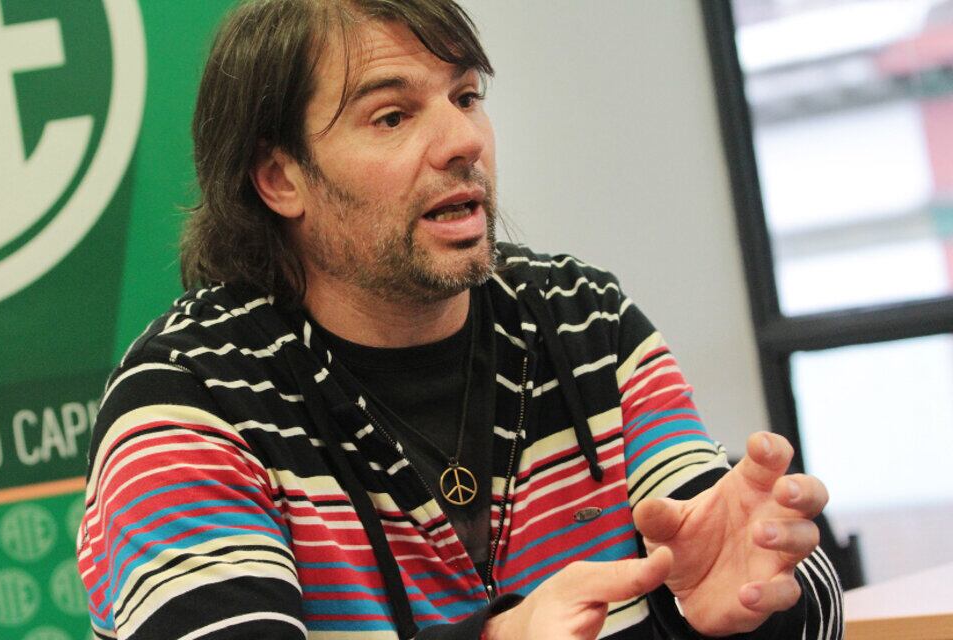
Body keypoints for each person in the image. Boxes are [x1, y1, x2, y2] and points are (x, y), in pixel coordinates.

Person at [77, 0, 844, 638]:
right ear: (280, 178)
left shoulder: (584, 324)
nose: (463, 141)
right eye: (392, 116)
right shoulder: (189, 401)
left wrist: (741, 609)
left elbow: (765, 574)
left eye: (467, 97)